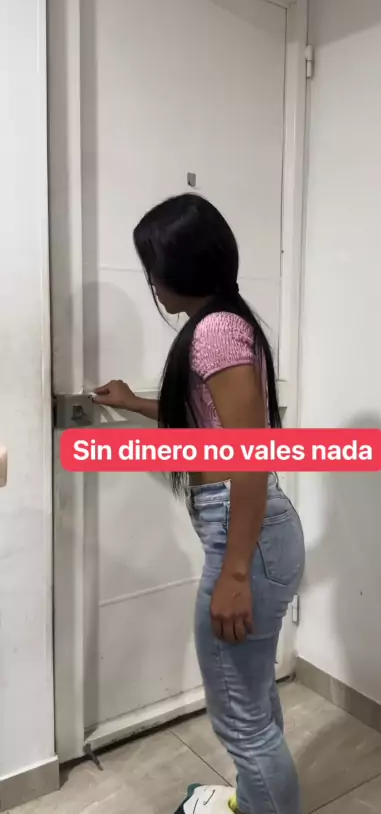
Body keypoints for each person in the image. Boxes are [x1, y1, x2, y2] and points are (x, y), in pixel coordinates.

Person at [94, 194, 305, 814]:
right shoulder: (224, 325)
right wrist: (134, 403)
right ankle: (257, 802)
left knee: (241, 719)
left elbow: (248, 455)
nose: (153, 282)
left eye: (154, 267)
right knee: (253, 701)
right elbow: (209, 424)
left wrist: (235, 574)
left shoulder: (214, 331)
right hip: (258, 532)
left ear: (181, 266)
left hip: (247, 539)